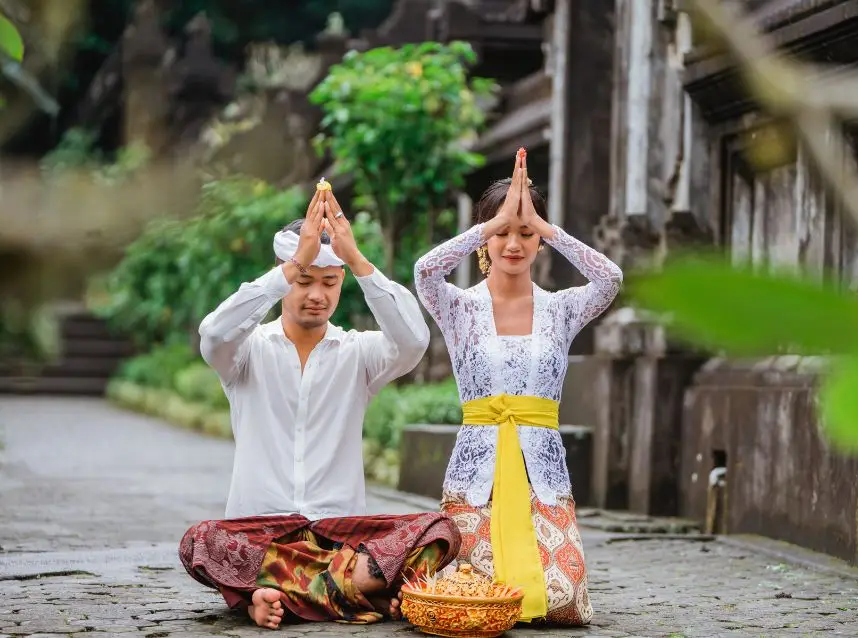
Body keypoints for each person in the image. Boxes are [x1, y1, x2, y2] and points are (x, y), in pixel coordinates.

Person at [178, 183, 461, 629]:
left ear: (342, 282)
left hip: (339, 533)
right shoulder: (246, 353)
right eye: (304, 280)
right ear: (284, 275)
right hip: (260, 532)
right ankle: (351, 592)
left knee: (439, 531)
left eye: (329, 282)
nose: (317, 294)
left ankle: (267, 596)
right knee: (201, 542)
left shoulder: (359, 353)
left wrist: (359, 261)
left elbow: (414, 341)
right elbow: (212, 334)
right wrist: (293, 265)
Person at [413, 149, 623, 626]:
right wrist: (490, 223)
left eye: (525, 233)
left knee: (562, 603)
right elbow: (425, 271)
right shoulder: (458, 308)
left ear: (540, 242)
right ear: (485, 240)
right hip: (477, 471)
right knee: (472, 603)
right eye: (502, 232)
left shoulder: (562, 309)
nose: (513, 243)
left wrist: (548, 228)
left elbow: (611, 279)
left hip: (542, 472)